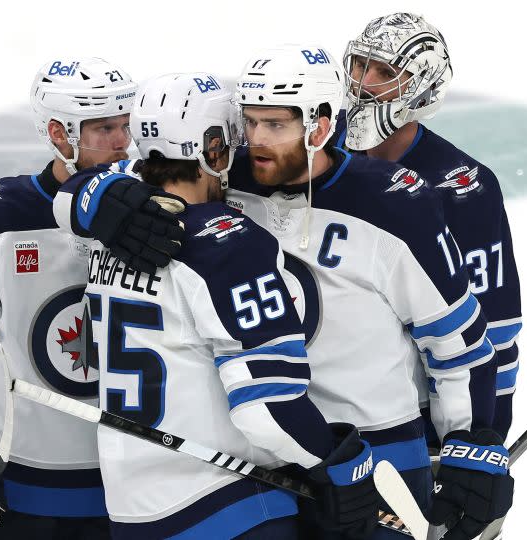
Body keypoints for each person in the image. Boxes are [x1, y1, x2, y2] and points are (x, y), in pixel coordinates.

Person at [58, 46, 514, 540]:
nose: (255, 140)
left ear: (319, 127)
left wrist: (472, 443)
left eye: (275, 125)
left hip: (376, 462)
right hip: (270, 462)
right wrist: (102, 200)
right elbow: (77, 192)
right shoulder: (223, 180)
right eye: (248, 122)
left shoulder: (396, 205)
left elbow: (458, 343)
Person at [56, 72, 378, 540]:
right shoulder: (229, 243)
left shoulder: (111, 238)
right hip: (228, 506)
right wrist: (338, 461)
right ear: (213, 150)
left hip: (131, 510)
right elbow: (266, 409)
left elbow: (79, 191)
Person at [0, 57, 143, 540]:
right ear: (60, 134)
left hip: (139, 490)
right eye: (104, 128)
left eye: (127, 124)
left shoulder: (155, 215)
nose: (123, 142)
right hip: (18, 490)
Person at [339, 12, 523, 445]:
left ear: (422, 86)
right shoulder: (314, 149)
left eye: (385, 71)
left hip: (408, 417)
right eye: (360, 64)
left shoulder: (462, 188)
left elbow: (490, 329)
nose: (364, 82)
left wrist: (481, 438)